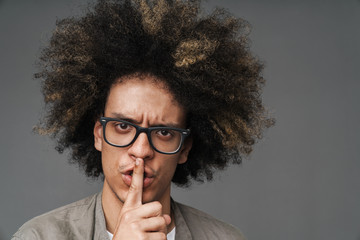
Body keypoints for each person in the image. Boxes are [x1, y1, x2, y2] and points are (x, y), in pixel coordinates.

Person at [12, 0, 273, 239]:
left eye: (164, 132)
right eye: (123, 126)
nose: (141, 150)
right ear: (98, 135)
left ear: (185, 148)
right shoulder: (40, 236)